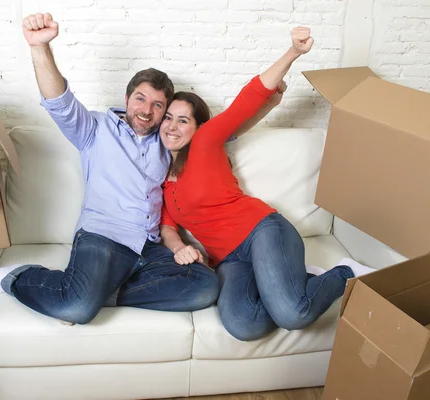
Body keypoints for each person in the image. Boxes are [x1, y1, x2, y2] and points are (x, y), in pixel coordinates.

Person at [0, 13, 220, 324]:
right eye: (141, 99)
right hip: (104, 238)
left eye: (158, 105)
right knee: (76, 308)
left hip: (148, 246)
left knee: (205, 286)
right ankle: (15, 277)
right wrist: (39, 48)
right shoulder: (95, 129)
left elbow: (218, 132)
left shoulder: (169, 141)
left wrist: (267, 100)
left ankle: (99, 292)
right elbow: (59, 102)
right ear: (127, 98)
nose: (146, 110)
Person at [158, 27, 375, 341]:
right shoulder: (161, 180)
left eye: (183, 120)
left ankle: (344, 274)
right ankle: (296, 282)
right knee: (243, 325)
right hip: (229, 260)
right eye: (168, 117)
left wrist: (293, 53)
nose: (172, 126)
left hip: (261, 232)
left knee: (293, 314)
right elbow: (166, 226)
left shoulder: (206, 144)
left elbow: (246, 102)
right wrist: (180, 247)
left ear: (198, 127)